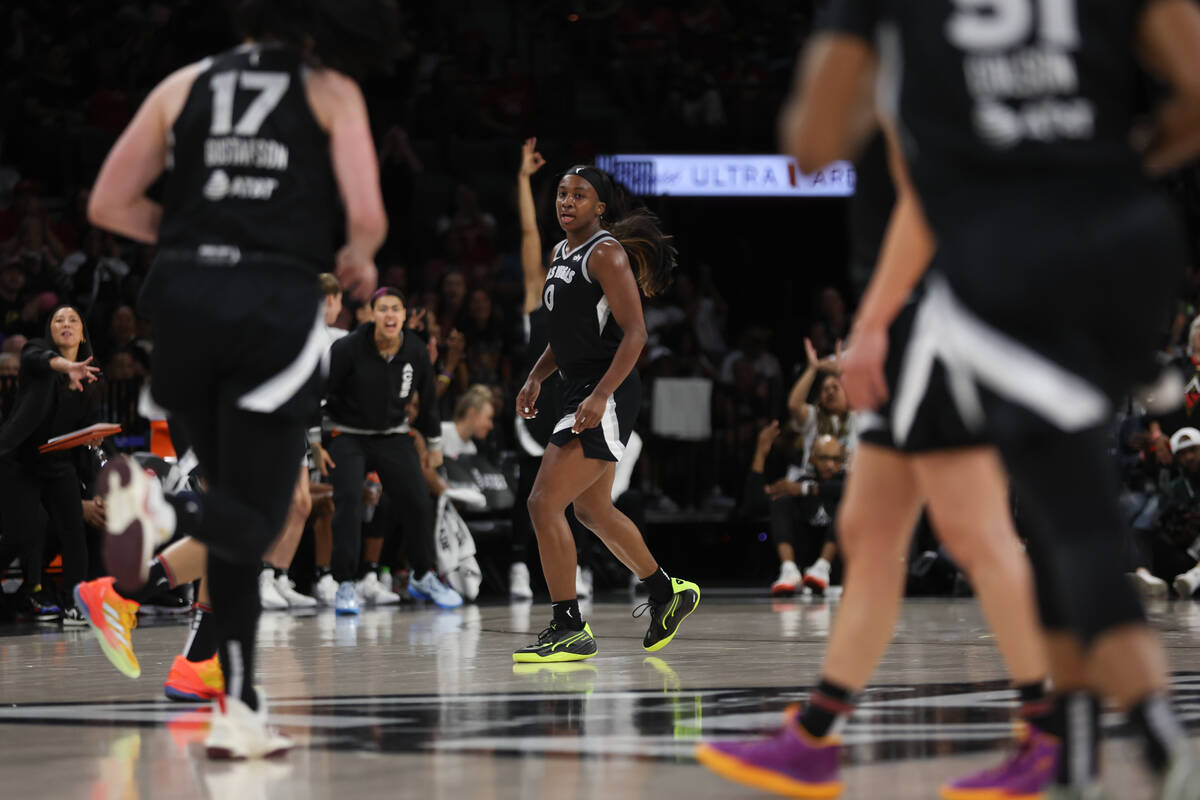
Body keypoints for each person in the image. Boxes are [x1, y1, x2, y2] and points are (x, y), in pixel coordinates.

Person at [700, 2, 1200, 799]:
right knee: (875, 528)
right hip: (937, 305)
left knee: (977, 531)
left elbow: (917, 198)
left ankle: (1047, 728)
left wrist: (871, 326)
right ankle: (820, 734)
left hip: (931, 312)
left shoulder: (913, 52)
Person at [85, 0, 394, 760]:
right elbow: (368, 215)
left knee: (242, 516)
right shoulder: (329, 90)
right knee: (261, 519)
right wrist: (357, 256)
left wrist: (194, 236)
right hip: (267, 307)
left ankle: (238, 707)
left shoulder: (182, 84)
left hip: (181, 304)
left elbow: (107, 203)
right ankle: (157, 515)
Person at [512, 163, 699, 663]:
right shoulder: (559, 254)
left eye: (579, 195)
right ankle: (666, 593)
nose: (566, 202)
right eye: (561, 194)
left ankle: (569, 625)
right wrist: (536, 375)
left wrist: (600, 396)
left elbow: (635, 333)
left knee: (542, 503)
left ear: (600, 207)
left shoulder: (607, 253)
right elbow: (565, 335)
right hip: (577, 386)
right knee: (591, 510)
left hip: (606, 390)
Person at [323, 286, 461, 612]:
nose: (389, 315)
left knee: (417, 500)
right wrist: (316, 441)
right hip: (349, 435)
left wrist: (435, 443)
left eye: (396, 309)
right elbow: (321, 396)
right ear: (372, 314)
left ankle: (423, 574)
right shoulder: (347, 348)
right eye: (383, 309)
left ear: (403, 315)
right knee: (348, 501)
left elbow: (427, 402)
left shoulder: (414, 350)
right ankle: (344, 584)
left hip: (393, 435)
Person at [0, 304, 102, 624]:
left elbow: (87, 423)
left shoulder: (90, 375)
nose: (66, 324)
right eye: (58, 320)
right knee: (21, 534)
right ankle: (26, 593)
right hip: (20, 461)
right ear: (51, 330)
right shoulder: (37, 352)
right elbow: (41, 360)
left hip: (59, 463)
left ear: (82, 333)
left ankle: (75, 605)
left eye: (73, 320)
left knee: (74, 532)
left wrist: (93, 437)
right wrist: (64, 367)